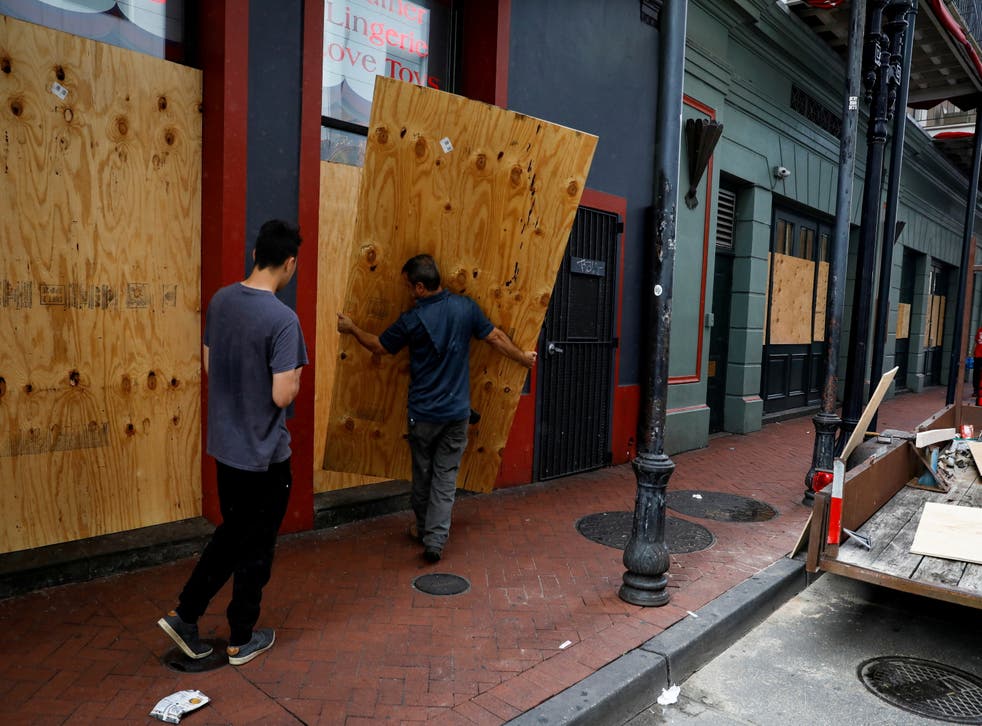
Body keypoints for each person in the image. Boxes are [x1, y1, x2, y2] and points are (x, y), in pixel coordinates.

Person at [158, 219, 307, 666]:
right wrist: (295, 378)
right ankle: (242, 637)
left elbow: (209, 364)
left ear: (255, 253)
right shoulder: (283, 319)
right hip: (264, 457)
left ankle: (186, 613)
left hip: (227, 449)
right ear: (290, 263)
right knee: (255, 547)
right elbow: (282, 394)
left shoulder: (222, 300)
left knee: (233, 534)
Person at [337, 254, 536, 563]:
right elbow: (495, 337)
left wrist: (351, 328)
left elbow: (378, 346)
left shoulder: (412, 320)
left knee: (423, 475)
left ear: (419, 287)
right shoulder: (465, 308)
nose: (406, 292)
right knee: (445, 478)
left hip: (423, 415)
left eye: (407, 286)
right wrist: (523, 358)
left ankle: (421, 529)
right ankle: (436, 540)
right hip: (456, 415)